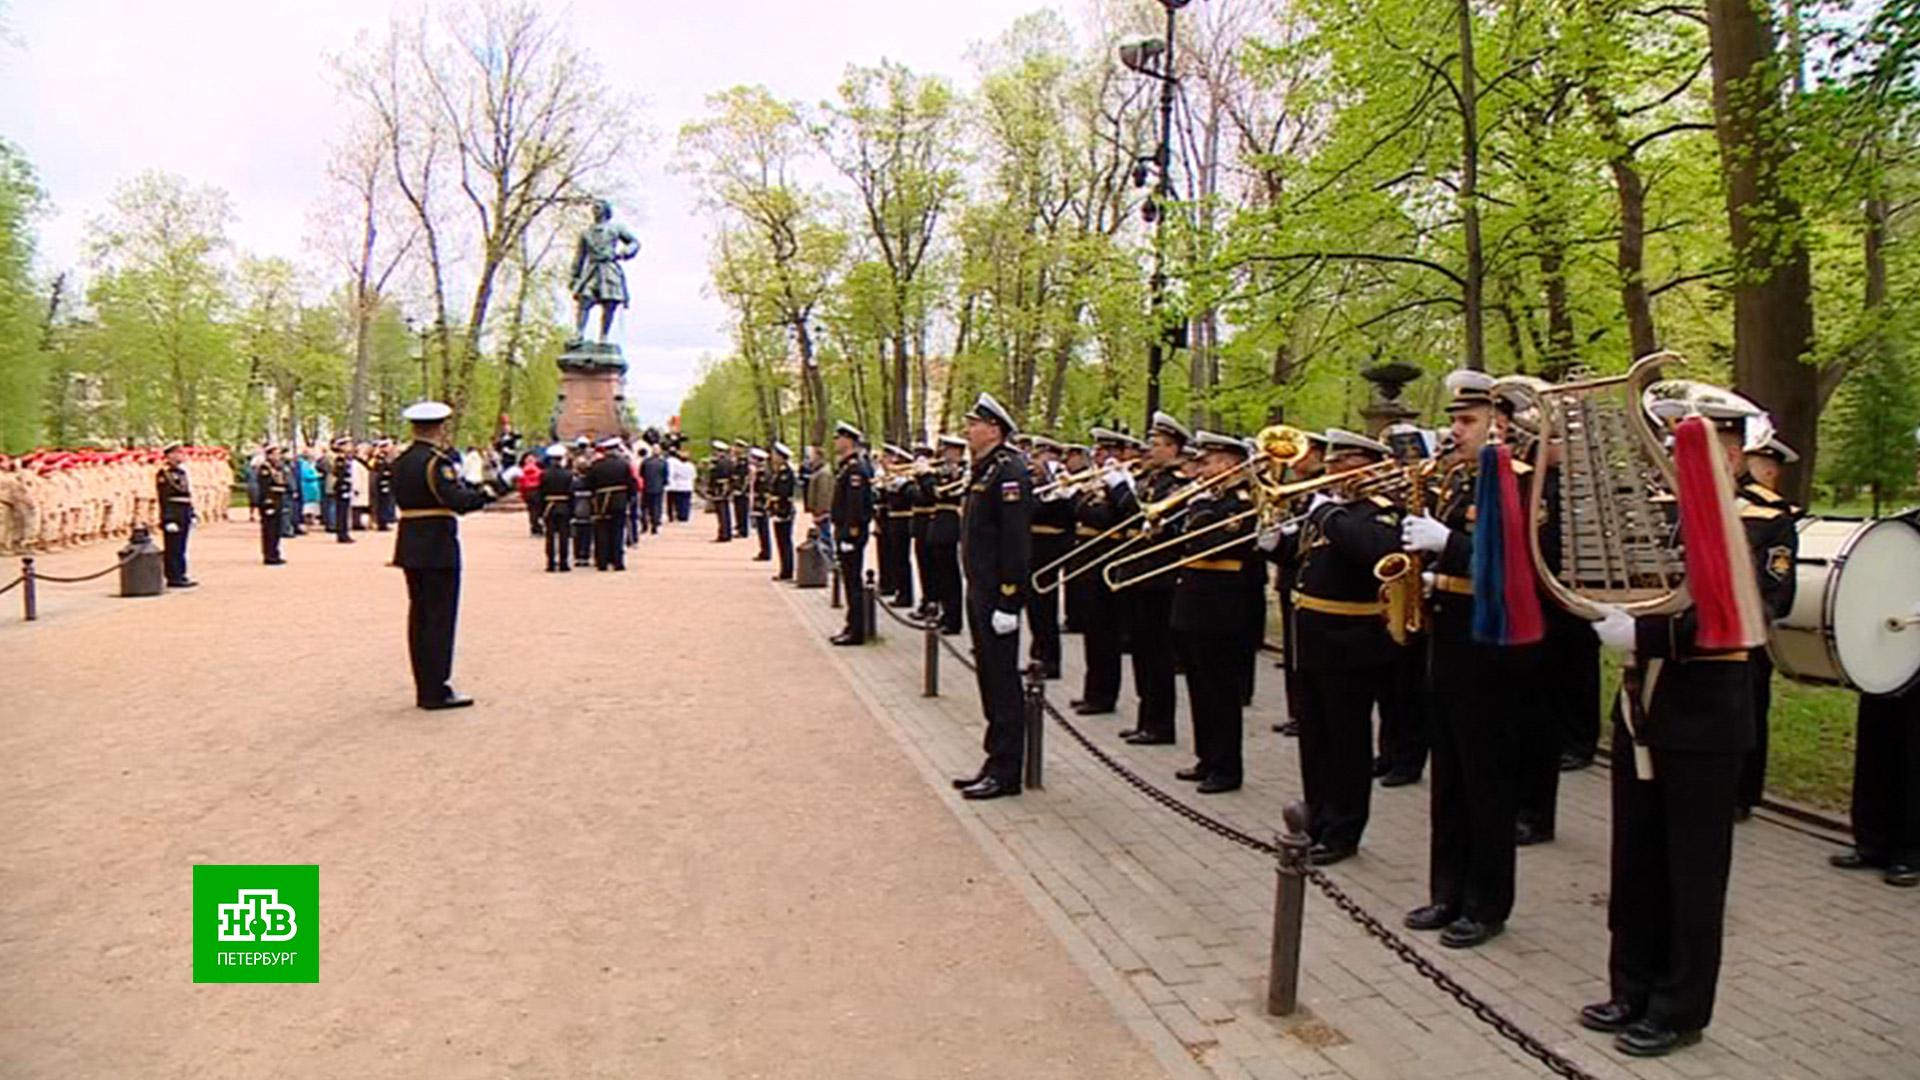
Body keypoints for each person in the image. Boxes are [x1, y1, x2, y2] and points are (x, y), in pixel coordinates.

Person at [1578, 391, 1793, 1057]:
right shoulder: (1661, 513)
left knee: (1692, 871)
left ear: (1731, 453)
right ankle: (1631, 987)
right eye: (1669, 442)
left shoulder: (1761, 522)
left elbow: (1757, 608)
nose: (1671, 454)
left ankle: (1679, 1008)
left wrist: (1644, 633)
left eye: (1688, 443)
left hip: (1705, 713)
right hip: (1643, 703)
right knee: (1635, 859)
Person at [1399, 370, 1544, 950]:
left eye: (1468, 421)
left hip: (1493, 647)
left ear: (1499, 425)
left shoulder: (1522, 482)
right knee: (1450, 777)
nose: (1455, 431)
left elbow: (1521, 563)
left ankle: (1486, 904)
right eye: (1454, 421)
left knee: (1487, 780)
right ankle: (1448, 891)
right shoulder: (1458, 479)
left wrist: (1448, 545)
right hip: (1450, 637)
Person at [1276, 429, 1402, 850]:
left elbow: (1373, 552)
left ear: (1368, 466)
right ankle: (1316, 818)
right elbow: (1301, 557)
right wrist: (1273, 541)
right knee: (1314, 739)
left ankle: (1344, 829)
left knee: (1346, 740)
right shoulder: (1333, 509)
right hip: (1312, 635)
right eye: (1331, 463)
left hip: (1351, 639)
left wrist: (1328, 514)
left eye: (1342, 462)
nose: (1332, 470)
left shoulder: (1382, 512)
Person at [391, 401, 505, 710]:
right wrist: (492, 492)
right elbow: (458, 501)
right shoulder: (436, 462)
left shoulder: (401, 461)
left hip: (410, 542)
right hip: (437, 544)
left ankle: (424, 684)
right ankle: (436, 689)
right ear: (440, 428)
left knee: (420, 617)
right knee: (440, 617)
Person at [1169, 431, 1265, 794]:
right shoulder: (1210, 499)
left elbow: (1214, 544)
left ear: (1229, 463)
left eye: (1207, 462)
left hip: (1222, 606)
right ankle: (1206, 757)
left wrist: (1199, 510)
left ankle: (1226, 768)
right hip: (1195, 601)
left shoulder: (1241, 502)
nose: (1200, 469)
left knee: (1221, 691)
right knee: (1199, 686)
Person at [950, 393, 1033, 801]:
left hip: (998, 593)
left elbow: (1016, 543)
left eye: (974, 424)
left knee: (1002, 682)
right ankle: (994, 759)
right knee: (989, 678)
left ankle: (1006, 771)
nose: (968, 430)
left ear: (994, 429)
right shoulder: (985, 469)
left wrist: (1009, 600)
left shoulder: (1009, 471)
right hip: (979, 587)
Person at [1735, 430, 1803, 819]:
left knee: (1748, 709)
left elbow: (1776, 586)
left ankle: (1742, 793)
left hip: (1749, 629)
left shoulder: (1772, 517)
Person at [1117, 412, 1190, 746]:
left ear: (1173, 448)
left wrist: (1122, 490)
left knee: (1157, 654)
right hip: (1136, 572)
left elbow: (1164, 524)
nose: (1151, 449)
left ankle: (1160, 724)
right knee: (1142, 652)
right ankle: (1145, 717)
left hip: (1159, 576)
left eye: (1158, 444)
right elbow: (1125, 515)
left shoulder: (1178, 484)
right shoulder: (1149, 479)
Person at [1831, 675, 1919, 887]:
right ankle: (1872, 843)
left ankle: (1912, 853)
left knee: (1915, 754)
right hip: (1886, 666)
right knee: (1875, 746)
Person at [1027, 436, 1072, 680]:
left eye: (1040, 456)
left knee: (1045, 608)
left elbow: (1051, 512)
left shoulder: (1062, 484)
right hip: (1033, 547)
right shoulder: (1037, 483)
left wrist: (1055, 485)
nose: (1034, 461)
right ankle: (1038, 655)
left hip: (1049, 549)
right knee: (1034, 608)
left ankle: (1051, 660)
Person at [829, 423, 874, 646]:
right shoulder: (848, 467)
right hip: (845, 531)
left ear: (849, 441)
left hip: (851, 534)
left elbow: (856, 506)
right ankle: (852, 625)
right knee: (849, 581)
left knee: (853, 582)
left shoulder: (855, 469)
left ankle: (856, 631)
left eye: (839, 438)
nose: (836, 442)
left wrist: (850, 533)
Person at [924, 436, 967, 633]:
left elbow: (940, 493)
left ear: (958, 451)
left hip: (949, 524)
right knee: (939, 574)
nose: (944, 453)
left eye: (949, 450)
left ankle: (953, 618)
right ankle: (945, 613)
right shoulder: (942, 471)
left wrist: (925, 477)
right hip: (938, 524)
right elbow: (929, 496)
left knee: (950, 575)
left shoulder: (963, 472)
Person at [588, 437, 636, 571]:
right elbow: (631, 483)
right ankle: (618, 561)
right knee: (618, 532)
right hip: (619, 501)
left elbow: (589, 484)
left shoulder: (596, 465)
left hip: (601, 502)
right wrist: (629, 499)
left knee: (601, 532)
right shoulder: (624, 464)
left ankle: (602, 562)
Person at [155, 442, 196, 588]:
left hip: (183, 512)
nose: (182, 456)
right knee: (173, 547)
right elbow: (164, 498)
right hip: (173, 514)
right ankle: (173, 576)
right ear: (169, 455)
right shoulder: (164, 474)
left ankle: (181, 573)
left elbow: (186, 494)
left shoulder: (181, 472)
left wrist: (191, 512)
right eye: (178, 453)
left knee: (181, 546)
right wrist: (168, 519)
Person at [538, 444, 574, 572]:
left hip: (549, 507)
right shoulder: (568, 474)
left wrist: (541, 511)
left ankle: (550, 563)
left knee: (550, 537)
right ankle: (564, 562)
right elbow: (571, 493)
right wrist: (572, 510)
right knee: (564, 536)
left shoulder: (544, 474)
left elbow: (540, 493)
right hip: (564, 506)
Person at [768, 442, 797, 581]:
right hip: (779, 509)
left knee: (785, 541)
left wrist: (778, 507)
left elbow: (783, 494)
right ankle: (785, 569)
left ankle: (787, 571)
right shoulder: (780, 472)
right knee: (781, 541)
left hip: (783, 510)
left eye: (775, 455)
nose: (773, 457)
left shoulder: (786, 473)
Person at [257, 445, 289, 566]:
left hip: (277, 500)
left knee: (276, 530)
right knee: (269, 530)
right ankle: (269, 555)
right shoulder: (265, 468)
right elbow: (265, 487)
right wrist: (268, 502)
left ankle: (275, 553)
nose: (278, 456)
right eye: (275, 454)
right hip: (269, 501)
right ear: (269, 455)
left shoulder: (276, 467)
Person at [748, 446, 772, 561]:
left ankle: (766, 552)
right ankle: (764, 550)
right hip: (759, 503)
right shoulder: (759, 472)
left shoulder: (764, 473)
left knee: (763, 529)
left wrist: (762, 505)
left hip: (762, 504)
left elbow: (764, 491)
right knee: (761, 529)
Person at [329, 438, 356, 544]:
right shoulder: (340, 459)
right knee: (341, 512)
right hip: (341, 487)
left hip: (346, 486)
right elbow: (339, 474)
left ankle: (344, 532)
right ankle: (342, 534)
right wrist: (344, 484)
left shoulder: (345, 458)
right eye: (347, 445)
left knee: (345, 512)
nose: (349, 447)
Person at [709, 440, 735, 542]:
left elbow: (715, 476)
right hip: (725, 488)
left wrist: (711, 489)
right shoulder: (728, 461)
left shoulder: (720, 462)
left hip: (719, 488)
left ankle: (724, 533)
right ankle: (726, 532)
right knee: (725, 511)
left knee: (722, 512)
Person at [641, 446, 668, 534]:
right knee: (656, 506)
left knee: (645, 507)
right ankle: (655, 525)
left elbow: (641, 473)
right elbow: (665, 475)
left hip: (646, 487)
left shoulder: (646, 462)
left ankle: (644, 524)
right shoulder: (663, 463)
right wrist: (663, 483)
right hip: (658, 487)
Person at [731, 440, 752, 539]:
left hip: (742, 490)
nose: (735, 449)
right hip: (737, 489)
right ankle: (740, 527)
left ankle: (743, 530)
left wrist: (742, 489)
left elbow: (745, 477)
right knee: (738, 510)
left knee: (742, 510)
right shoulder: (737, 460)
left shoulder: (744, 461)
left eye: (737, 447)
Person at [667, 450, 695, 523]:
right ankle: (685, 515)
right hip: (688, 485)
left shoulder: (678, 466)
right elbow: (694, 476)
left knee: (679, 502)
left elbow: (674, 475)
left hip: (679, 485)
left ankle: (680, 515)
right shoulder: (691, 466)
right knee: (686, 501)